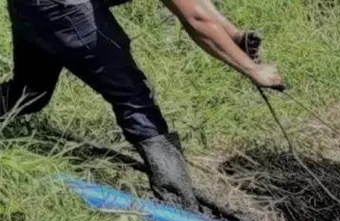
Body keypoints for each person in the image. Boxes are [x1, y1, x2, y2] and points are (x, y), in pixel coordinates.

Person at [0, 0, 284, 210]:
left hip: (31, 5)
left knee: (32, 91)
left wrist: (232, 34)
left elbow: (197, 6)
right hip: (64, 9)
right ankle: (180, 206)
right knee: (135, 99)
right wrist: (253, 70)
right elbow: (195, 18)